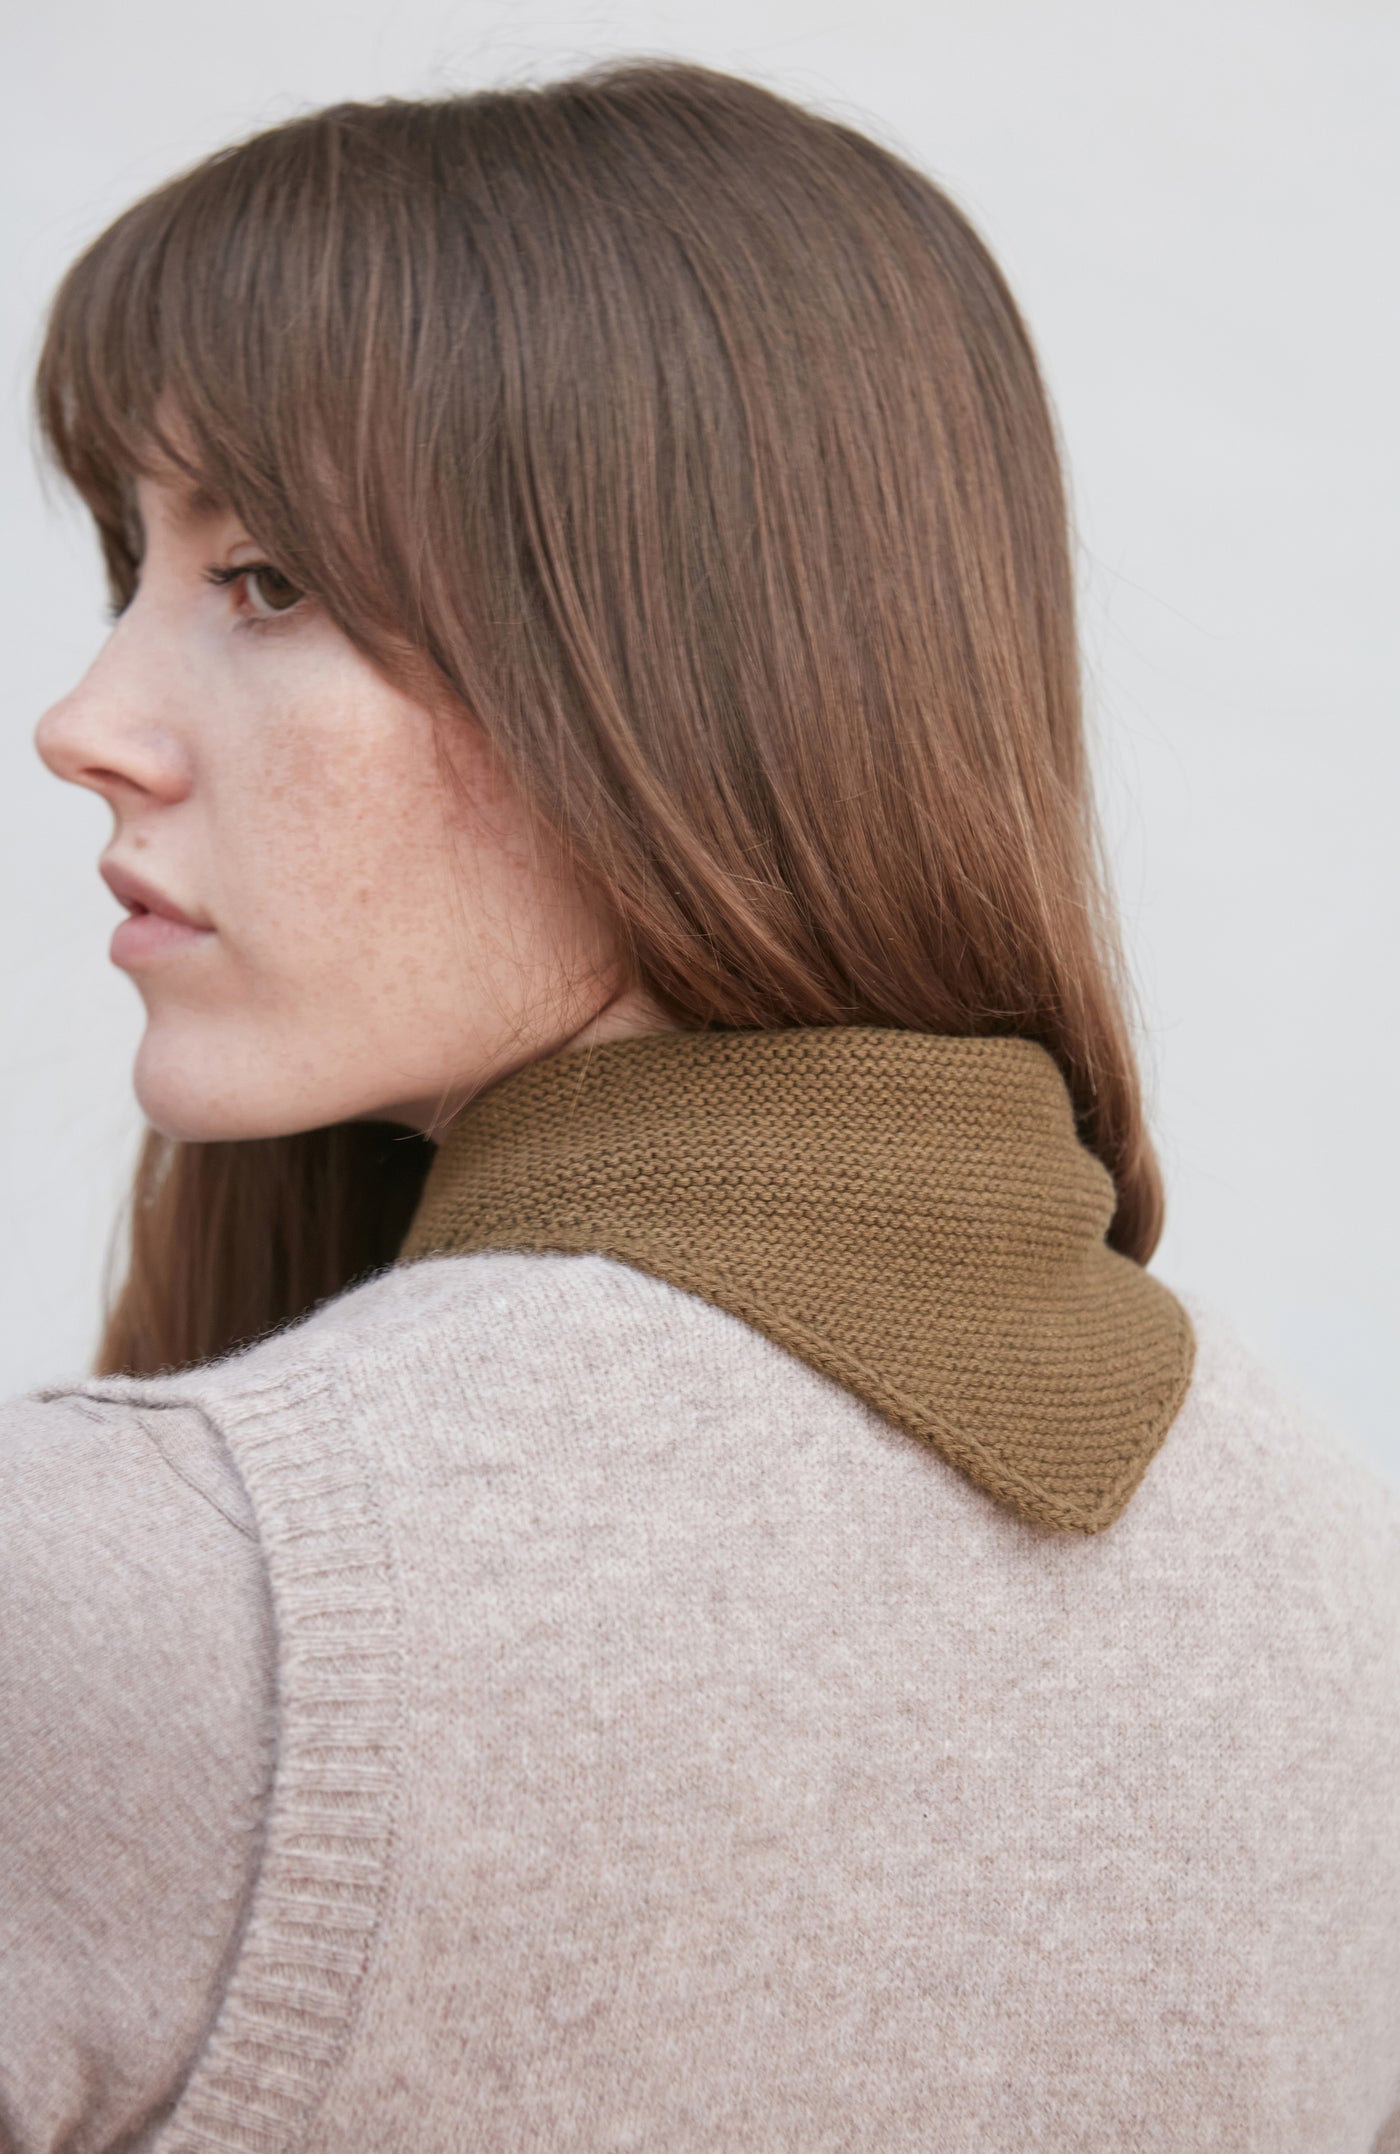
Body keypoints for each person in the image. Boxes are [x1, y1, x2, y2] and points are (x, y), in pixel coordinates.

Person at [4, 56, 1397, 2154]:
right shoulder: (1326, 1574)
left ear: (675, 657)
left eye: (265, 577)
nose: (86, 722)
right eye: (133, 564)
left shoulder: (146, 1598)